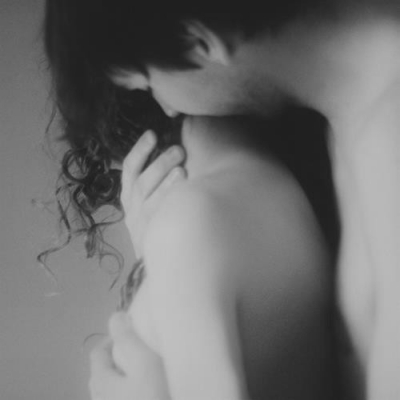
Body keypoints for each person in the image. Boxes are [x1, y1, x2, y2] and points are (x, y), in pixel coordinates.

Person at [44, 1, 400, 399]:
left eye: (148, 84)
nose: (166, 108)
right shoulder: (347, 118)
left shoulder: (390, 132)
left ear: (197, 41)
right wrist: (173, 270)